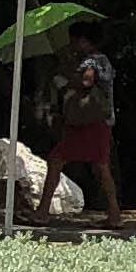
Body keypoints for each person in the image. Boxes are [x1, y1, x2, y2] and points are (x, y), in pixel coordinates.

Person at [45, 20, 120, 217]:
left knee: (55, 160)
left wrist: (65, 80)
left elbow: (86, 81)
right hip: (101, 121)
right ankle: (114, 213)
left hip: (85, 123)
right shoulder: (104, 60)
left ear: (84, 41)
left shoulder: (90, 62)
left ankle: (42, 211)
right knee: (101, 166)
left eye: (75, 41)